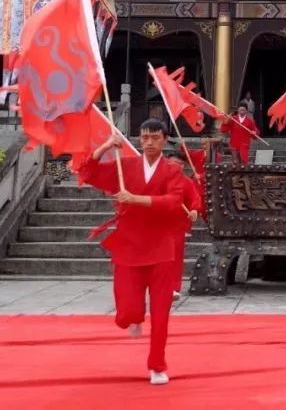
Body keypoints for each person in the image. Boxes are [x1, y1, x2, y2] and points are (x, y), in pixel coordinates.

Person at [76, 119, 187, 386]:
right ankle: (134, 318)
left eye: (155, 137)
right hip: (129, 247)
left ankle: (157, 365)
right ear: (139, 139)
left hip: (161, 249)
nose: (149, 142)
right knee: (126, 313)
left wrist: (136, 199)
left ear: (164, 140)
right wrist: (105, 147)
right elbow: (88, 173)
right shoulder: (125, 167)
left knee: (161, 314)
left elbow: (174, 202)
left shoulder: (172, 171)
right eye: (144, 137)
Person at [172, 153, 203, 301]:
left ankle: (173, 287)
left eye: (179, 163)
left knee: (175, 257)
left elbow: (195, 198)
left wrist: (194, 209)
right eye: (172, 163)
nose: (175, 166)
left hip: (177, 225)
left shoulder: (186, 182)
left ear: (183, 166)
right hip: (156, 224)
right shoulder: (157, 180)